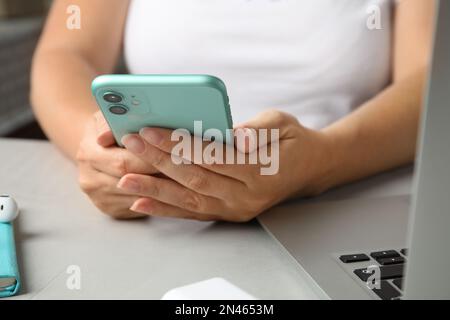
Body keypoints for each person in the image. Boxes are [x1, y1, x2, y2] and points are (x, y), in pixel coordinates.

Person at [31, 0, 435, 221]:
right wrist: (100, 149)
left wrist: (323, 161)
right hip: (157, 213)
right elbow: (66, 52)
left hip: (345, 203)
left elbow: (428, 83)